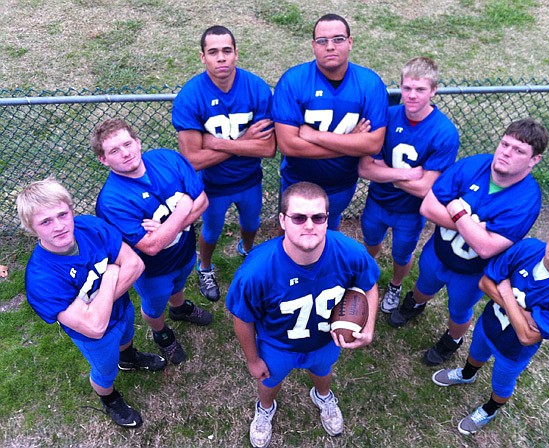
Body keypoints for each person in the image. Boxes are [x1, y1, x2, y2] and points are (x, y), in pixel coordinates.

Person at [226, 182, 380, 448]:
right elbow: (243, 318)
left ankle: (323, 396)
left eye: (317, 217)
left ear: (326, 220)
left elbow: (369, 284)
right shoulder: (256, 271)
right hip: (277, 343)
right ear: (283, 220)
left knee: (323, 371)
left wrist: (369, 326)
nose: (309, 225)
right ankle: (265, 408)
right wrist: (252, 359)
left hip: (324, 340)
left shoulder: (349, 252)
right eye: (299, 217)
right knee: (269, 381)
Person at [389, 118, 549, 366]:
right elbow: (428, 207)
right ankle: (416, 304)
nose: (507, 153)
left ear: (534, 160)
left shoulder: (526, 199)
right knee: (423, 285)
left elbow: (486, 248)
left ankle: (453, 340)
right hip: (439, 250)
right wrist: (476, 227)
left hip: (472, 271)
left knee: (459, 311)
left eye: (519, 150)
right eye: (505, 144)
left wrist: (457, 210)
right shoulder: (474, 164)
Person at [431, 210, 549, 434]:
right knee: (476, 352)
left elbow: (527, 336)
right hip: (489, 324)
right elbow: (484, 283)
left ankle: (490, 409)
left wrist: (506, 293)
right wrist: (524, 315)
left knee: (502, 384)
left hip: (514, 350)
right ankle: (467, 374)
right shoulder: (528, 248)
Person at [17, 178, 166, 428]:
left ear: (71, 210)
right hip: (94, 338)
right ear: (32, 228)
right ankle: (108, 398)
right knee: (105, 371)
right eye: (45, 221)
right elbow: (94, 328)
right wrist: (110, 276)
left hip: (122, 309)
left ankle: (128, 358)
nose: (59, 226)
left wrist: (97, 308)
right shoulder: (41, 278)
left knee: (127, 334)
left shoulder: (91, 228)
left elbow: (136, 265)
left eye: (62, 214)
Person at [93, 118, 210, 366]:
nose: (125, 153)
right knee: (154, 306)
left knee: (179, 285)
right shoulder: (112, 200)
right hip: (153, 271)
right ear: (104, 159)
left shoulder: (168, 158)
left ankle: (179, 308)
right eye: (114, 150)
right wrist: (182, 211)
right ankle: (161, 332)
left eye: (127, 144)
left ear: (138, 142)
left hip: (185, 251)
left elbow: (203, 201)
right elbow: (152, 246)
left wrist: (170, 227)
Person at [172, 25, 276, 302]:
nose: (221, 58)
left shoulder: (255, 87)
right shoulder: (191, 95)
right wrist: (244, 141)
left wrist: (219, 143)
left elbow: (267, 147)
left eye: (226, 51)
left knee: (251, 223)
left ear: (236, 54)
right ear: (202, 56)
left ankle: (247, 250)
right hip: (212, 184)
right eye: (213, 52)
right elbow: (192, 160)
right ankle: (205, 266)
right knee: (211, 230)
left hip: (250, 179)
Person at [358, 56, 460, 314]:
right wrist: (407, 175)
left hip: (410, 211)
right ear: (401, 87)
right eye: (407, 88)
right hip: (377, 202)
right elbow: (364, 168)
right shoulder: (388, 116)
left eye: (420, 89)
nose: (412, 95)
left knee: (402, 254)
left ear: (434, 90)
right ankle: (365, 277)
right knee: (371, 241)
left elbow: (426, 188)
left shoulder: (444, 132)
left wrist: (386, 174)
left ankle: (395, 284)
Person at [272, 13, 388, 230]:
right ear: (313, 46)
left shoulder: (370, 83)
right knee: (288, 231)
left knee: (329, 229)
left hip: (342, 183)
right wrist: (351, 143)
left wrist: (316, 136)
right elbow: (288, 145)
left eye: (338, 39)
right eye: (322, 41)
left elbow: (373, 144)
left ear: (350, 42)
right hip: (298, 180)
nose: (330, 46)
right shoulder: (293, 81)